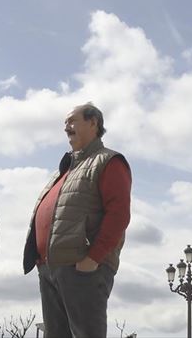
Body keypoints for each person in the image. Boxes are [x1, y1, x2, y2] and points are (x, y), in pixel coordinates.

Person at [23, 103, 131, 338]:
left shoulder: (108, 161)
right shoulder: (64, 170)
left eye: (72, 121)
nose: (66, 128)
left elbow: (119, 214)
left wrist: (93, 258)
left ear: (93, 123)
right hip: (50, 267)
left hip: (82, 268)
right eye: (64, 123)